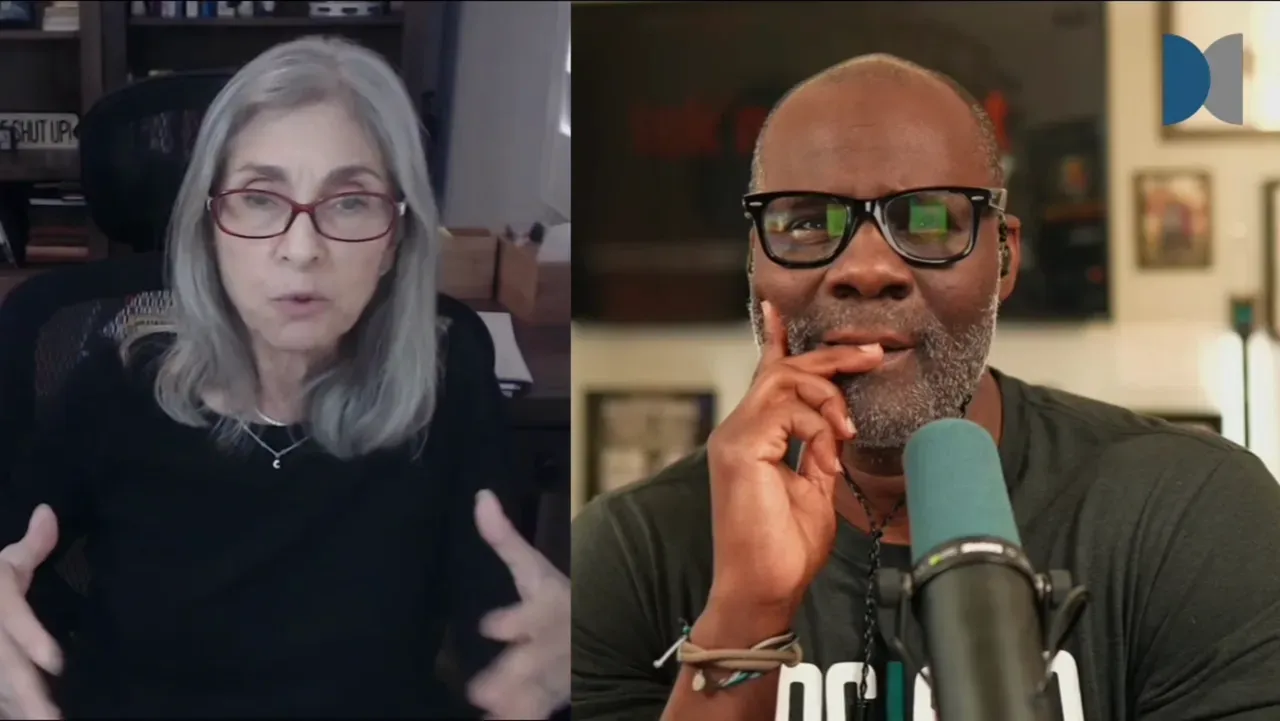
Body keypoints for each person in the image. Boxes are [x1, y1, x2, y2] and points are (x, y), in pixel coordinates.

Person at [571, 53, 1280, 721]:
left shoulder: (1192, 514)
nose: (869, 267)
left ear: (1004, 257)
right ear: (755, 260)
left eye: (930, 218)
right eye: (809, 222)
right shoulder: (626, 555)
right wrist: (747, 612)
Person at [0, 36, 568, 719]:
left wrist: (572, 661)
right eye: (261, 199)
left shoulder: (445, 383)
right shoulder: (119, 375)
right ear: (212, 225)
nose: (301, 250)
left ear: (395, 238)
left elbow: (503, 646)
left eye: (350, 202)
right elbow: (12, 553)